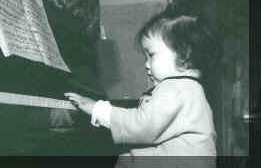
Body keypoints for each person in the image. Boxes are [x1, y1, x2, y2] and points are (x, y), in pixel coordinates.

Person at [65, 15, 217, 168]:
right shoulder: (187, 87)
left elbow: (142, 125)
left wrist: (97, 109)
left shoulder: (177, 88)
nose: (146, 64)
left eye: (151, 55)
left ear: (183, 54)